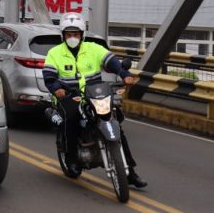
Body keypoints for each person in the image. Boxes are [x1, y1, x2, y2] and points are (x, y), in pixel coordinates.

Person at [42, 12, 147, 188]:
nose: (72, 37)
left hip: (94, 95)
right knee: (72, 118)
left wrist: (124, 74)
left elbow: (111, 61)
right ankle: (72, 158)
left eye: (76, 34)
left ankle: (130, 173)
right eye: (69, 34)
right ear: (63, 35)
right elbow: (49, 78)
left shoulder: (93, 48)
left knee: (116, 126)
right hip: (69, 95)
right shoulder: (55, 53)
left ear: (82, 35)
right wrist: (57, 89)